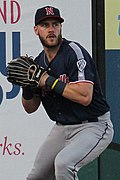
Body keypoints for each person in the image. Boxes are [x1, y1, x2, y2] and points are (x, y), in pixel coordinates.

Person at [22, 6, 114, 180]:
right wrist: (27, 87)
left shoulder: (74, 52)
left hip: (93, 125)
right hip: (62, 127)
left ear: (61, 27)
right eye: (45, 25)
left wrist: (48, 80)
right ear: (36, 30)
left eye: (55, 24)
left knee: (64, 164)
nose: (51, 29)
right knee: (36, 177)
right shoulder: (38, 62)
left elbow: (85, 96)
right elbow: (30, 107)